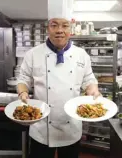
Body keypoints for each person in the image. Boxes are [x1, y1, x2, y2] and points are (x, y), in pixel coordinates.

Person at [17, 17, 101, 158]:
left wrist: (93, 91)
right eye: (54, 25)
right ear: (47, 29)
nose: (59, 30)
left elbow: (89, 79)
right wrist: (22, 92)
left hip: (71, 125)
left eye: (65, 26)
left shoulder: (81, 55)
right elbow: (23, 79)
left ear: (70, 29)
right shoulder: (33, 54)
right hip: (42, 126)